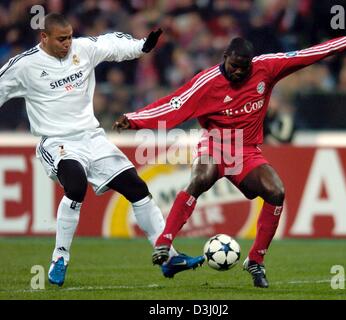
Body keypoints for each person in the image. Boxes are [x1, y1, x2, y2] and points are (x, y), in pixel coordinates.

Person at [113, 30, 346, 288]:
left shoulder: (266, 68)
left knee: (276, 191)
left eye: (244, 68)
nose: (239, 72)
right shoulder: (207, 82)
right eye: (234, 66)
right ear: (225, 58)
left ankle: (256, 260)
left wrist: (344, 43)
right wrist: (134, 119)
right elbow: (174, 106)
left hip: (246, 151)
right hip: (214, 145)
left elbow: (304, 56)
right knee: (200, 179)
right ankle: (164, 243)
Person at [0, 13, 204, 287]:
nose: (68, 44)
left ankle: (168, 257)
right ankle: (60, 257)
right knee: (75, 185)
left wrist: (142, 47)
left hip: (92, 138)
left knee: (137, 188)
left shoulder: (82, 50)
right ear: (44, 37)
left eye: (70, 37)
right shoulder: (24, 66)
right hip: (56, 141)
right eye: (61, 39)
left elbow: (113, 45)